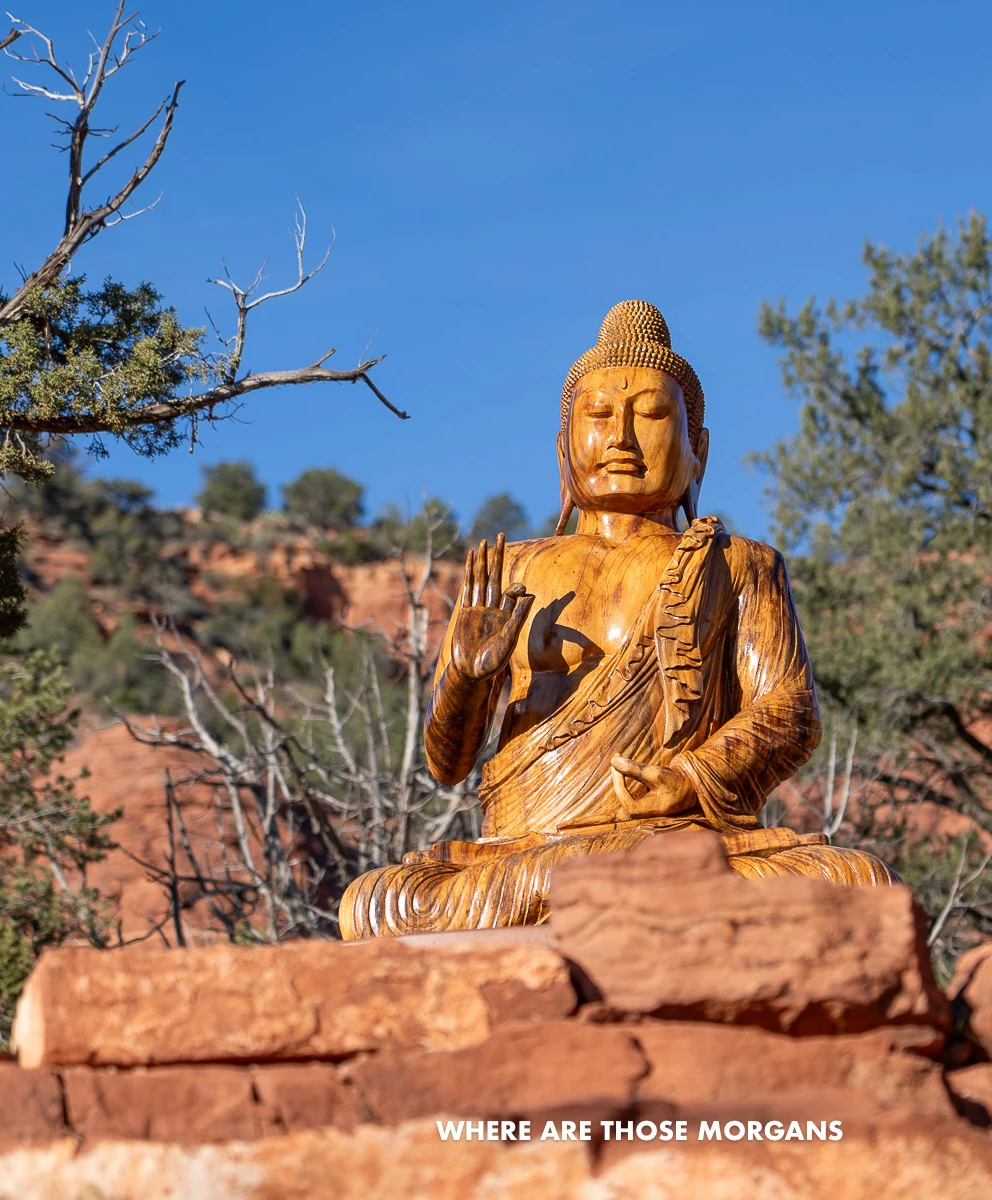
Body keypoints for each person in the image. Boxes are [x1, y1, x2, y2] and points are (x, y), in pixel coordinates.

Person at [338, 301, 894, 937]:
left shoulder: (738, 563)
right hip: (526, 852)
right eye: (598, 415)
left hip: (680, 841)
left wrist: (688, 777)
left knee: (856, 880)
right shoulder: (509, 571)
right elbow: (447, 764)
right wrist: (465, 676)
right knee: (378, 902)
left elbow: (790, 713)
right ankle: (602, 888)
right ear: (563, 447)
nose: (622, 438)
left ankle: (607, 885)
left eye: (653, 415)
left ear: (697, 451)